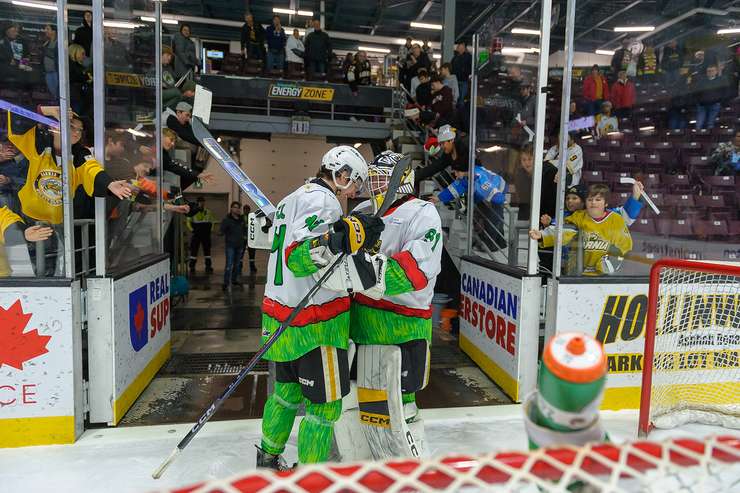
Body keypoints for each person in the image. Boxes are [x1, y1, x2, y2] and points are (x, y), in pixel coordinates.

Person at [256, 145, 384, 469]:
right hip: (315, 323)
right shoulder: (324, 201)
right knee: (325, 408)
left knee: (286, 395)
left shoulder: (291, 198)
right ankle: (308, 477)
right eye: (354, 182)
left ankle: (268, 457)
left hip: (282, 317)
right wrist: (341, 239)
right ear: (341, 175)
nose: (355, 190)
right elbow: (300, 258)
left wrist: (349, 236)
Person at [341, 151, 442, 460]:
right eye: (372, 176)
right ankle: (360, 455)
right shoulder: (361, 209)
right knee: (359, 396)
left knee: (401, 401)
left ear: (403, 179)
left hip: (402, 324)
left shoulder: (423, 213)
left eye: (381, 176)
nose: (374, 183)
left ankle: (410, 463)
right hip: (360, 321)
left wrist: (362, 271)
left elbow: (415, 271)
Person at [7, 107, 131, 275]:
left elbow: (91, 170)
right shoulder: (36, 143)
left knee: (54, 276)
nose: (77, 132)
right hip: (26, 221)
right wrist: (44, 111)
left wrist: (109, 184)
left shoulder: (80, 154)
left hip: (56, 227)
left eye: (80, 130)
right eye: (72, 126)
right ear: (55, 126)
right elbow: (16, 121)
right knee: (21, 274)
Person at [530, 184, 633, 276]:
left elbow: (624, 246)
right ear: (585, 202)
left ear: (606, 203)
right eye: (590, 199)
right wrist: (542, 235)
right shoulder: (578, 217)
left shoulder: (616, 219)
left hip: (605, 276)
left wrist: (607, 266)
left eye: (598, 200)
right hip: (577, 274)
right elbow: (564, 231)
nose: (593, 203)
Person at [434, 159, 508, 251]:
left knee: (493, 217)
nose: (455, 175)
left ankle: (490, 245)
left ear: (464, 170)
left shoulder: (479, 177)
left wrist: (502, 200)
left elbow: (493, 192)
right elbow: (455, 188)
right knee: (487, 216)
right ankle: (500, 242)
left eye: (457, 172)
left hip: (498, 189)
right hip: (484, 192)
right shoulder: (466, 176)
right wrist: (438, 198)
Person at [220, 201, 247, 290]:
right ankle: (226, 282)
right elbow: (222, 230)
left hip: (240, 245)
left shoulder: (241, 220)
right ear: (231, 208)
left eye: (238, 208)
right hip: (230, 246)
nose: (237, 209)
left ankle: (234, 280)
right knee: (229, 265)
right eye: (235, 207)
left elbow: (244, 231)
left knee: (237, 264)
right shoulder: (227, 220)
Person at [187, 197, 216, 275]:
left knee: (207, 251)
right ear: (197, 203)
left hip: (206, 233)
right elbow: (188, 222)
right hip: (196, 233)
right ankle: (192, 267)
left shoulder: (208, 211)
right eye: (200, 202)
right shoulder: (193, 211)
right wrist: (192, 230)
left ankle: (208, 266)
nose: (202, 203)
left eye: (203, 202)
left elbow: (212, 221)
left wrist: (211, 230)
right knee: (194, 250)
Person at [693, 64, 727, 130]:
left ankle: (710, 139)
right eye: (708, 71)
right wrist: (698, 101)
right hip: (702, 105)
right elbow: (696, 92)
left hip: (714, 104)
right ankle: (697, 138)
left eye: (712, 71)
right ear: (706, 72)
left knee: (710, 123)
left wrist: (719, 100)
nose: (710, 72)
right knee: (699, 123)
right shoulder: (701, 81)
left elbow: (724, 92)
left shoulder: (720, 81)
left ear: (716, 71)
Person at [239, 203, 257, 276]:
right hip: (243, 238)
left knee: (252, 253)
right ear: (243, 210)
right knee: (241, 253)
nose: (246, 211)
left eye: (247, 209)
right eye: (245, 209)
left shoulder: (252, 218)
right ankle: (239, 266)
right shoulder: (240, 217)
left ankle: (252, 266)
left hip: (251, 238)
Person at [42, 24, 58, 99]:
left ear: (54, 31)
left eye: (48, 29)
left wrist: (45, 51)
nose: (45, 31)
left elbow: (56, 55)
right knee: (53, 92)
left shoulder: (58, 42)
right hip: (48, 72)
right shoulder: (46, 42)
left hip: (56, 71)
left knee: (58, 91)